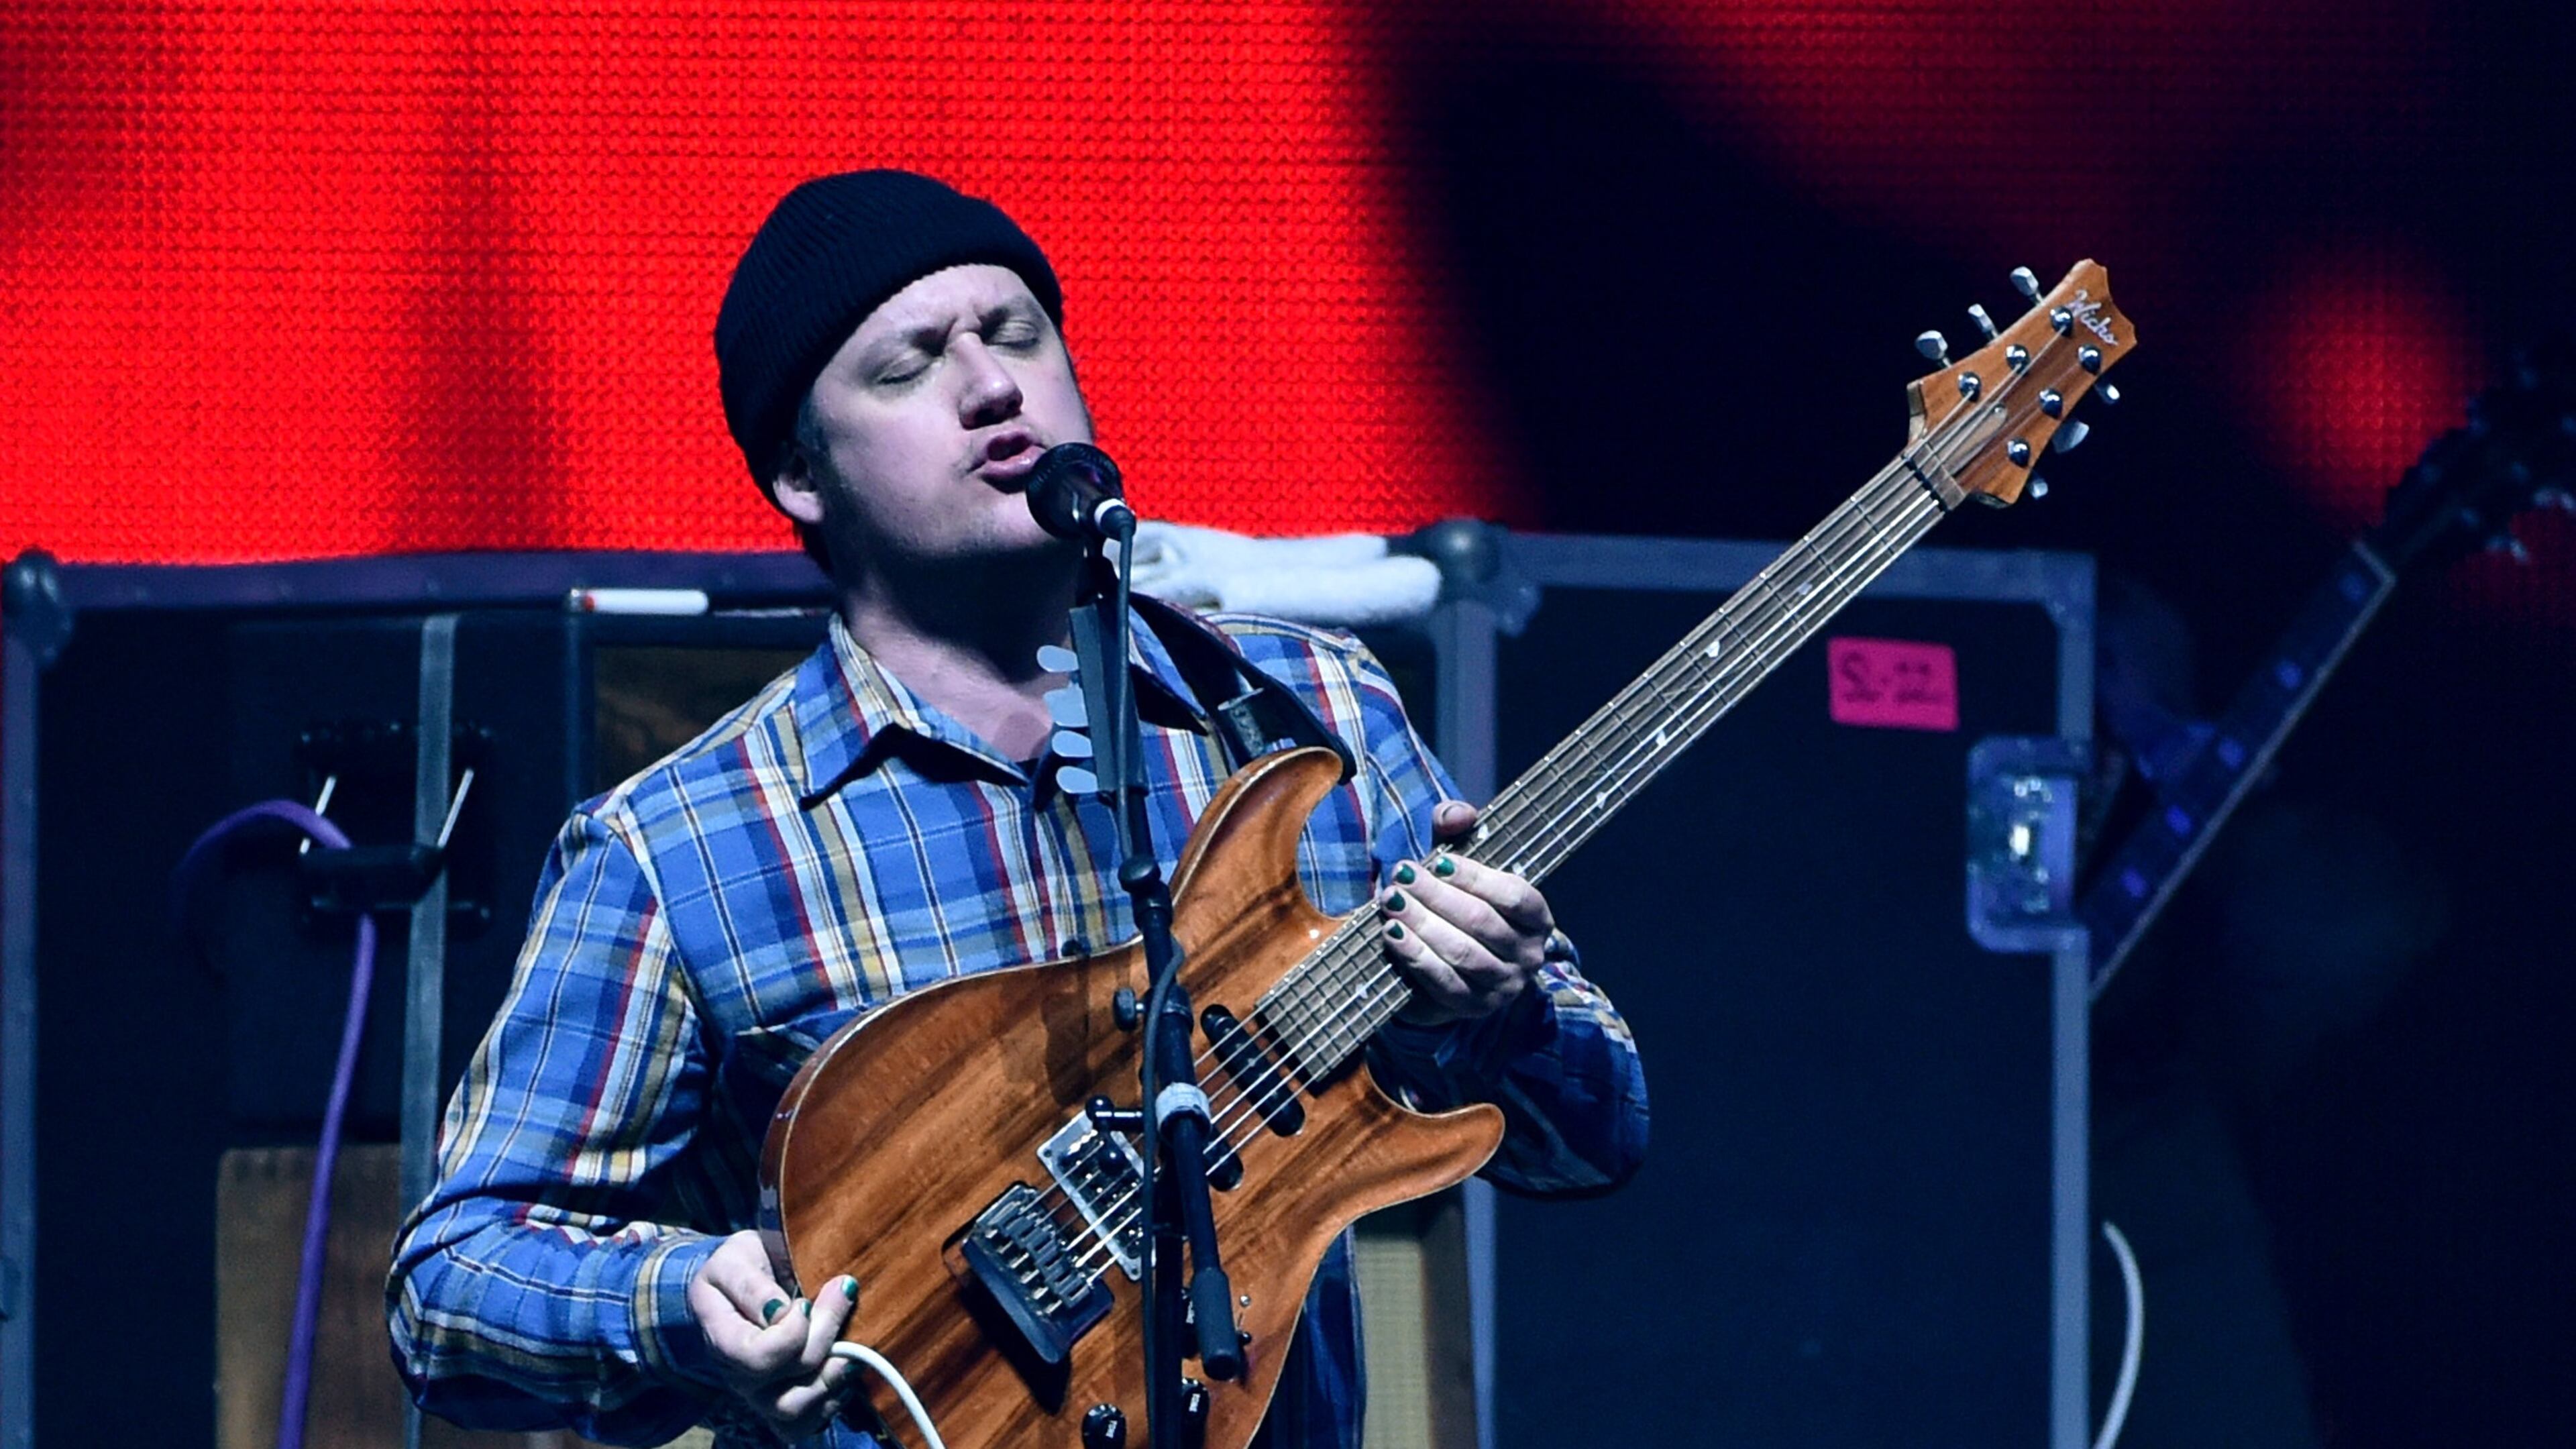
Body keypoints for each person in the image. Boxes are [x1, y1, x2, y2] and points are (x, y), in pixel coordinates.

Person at [386, 169, 1649, 1448]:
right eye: (910, 366)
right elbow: (447, 1288)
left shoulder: (1311, 706)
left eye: (1018, 332)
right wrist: (676, 1301)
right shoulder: (684, 844)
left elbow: (1599, 1133)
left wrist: (1497, 1011)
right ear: (800, 477)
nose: (993, 385)